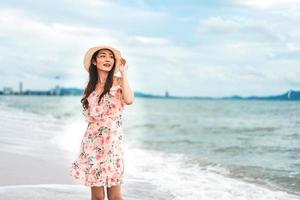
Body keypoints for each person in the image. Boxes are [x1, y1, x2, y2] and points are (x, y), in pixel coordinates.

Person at [70, 45, 134, 200]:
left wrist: (124, 73)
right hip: (92, 143)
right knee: (97, 197)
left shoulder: (119, 82)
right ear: (94, 61)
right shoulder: (89, 87)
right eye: (103, 56)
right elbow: (90, 118)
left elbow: (129, 100)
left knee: (115, 196)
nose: (107, 59)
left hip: (112, 143)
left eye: (111, 57)